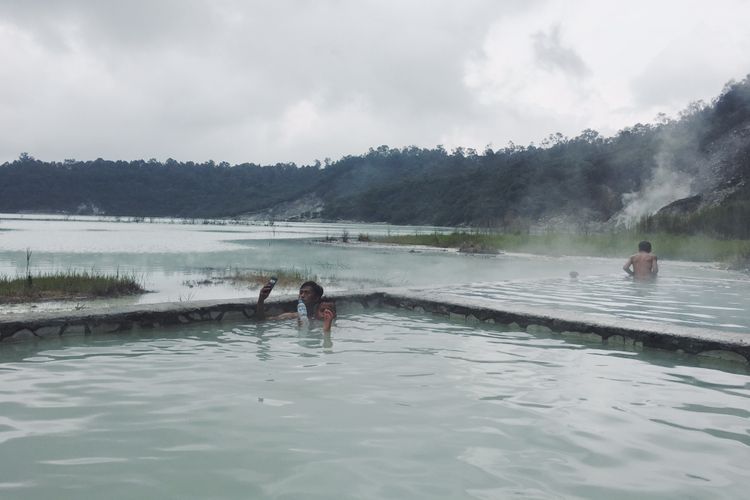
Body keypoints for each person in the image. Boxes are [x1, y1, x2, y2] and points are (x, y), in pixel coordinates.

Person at [256, 280, 335, 331]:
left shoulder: (324, 315)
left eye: (307, 293)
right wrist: (261, 299)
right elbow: (263, 320)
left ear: (316, 298)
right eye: (301, 292)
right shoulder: (292, 316)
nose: (302, 295)